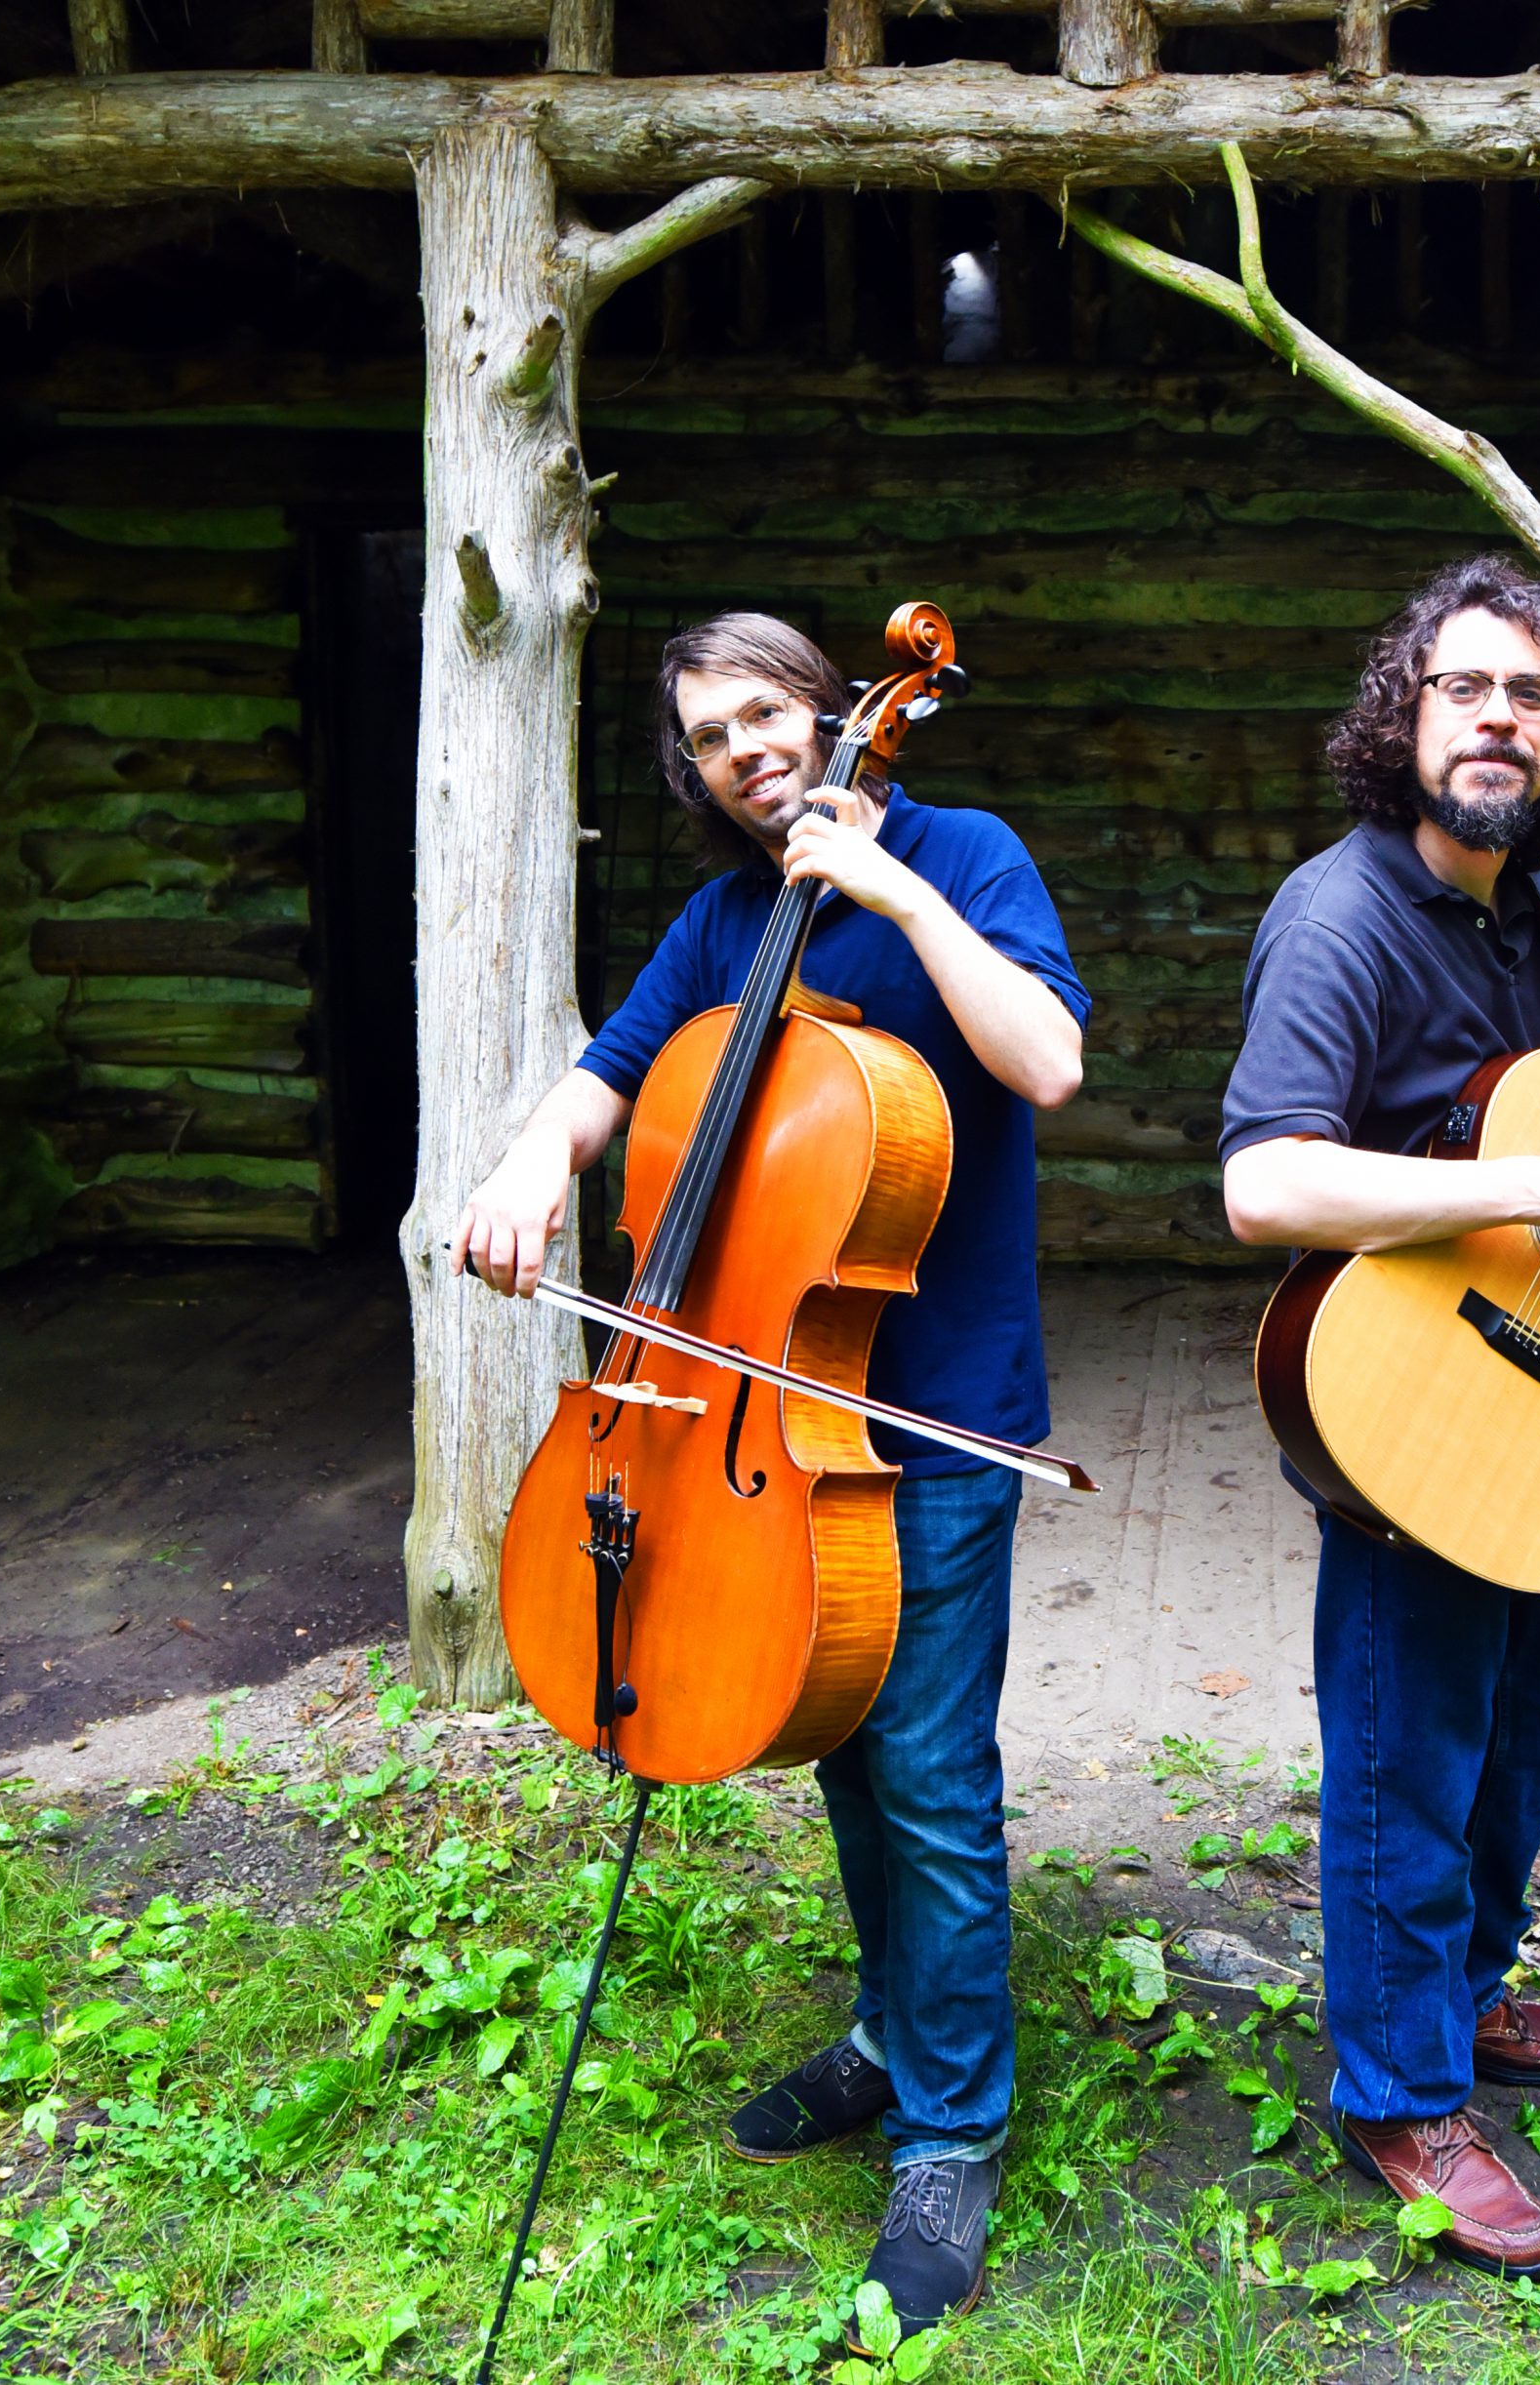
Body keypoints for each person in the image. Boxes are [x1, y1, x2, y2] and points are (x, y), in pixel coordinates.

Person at [454, 612, 1087, 2342]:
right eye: (710, 736)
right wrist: (529, 1164)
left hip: (933, 1411)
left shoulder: (963, 854)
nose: (746, 749)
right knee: (838, 1749)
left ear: (829, 711)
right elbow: (606, 1081)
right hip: (750, 1412)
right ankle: (896, 2034)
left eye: (767, 713)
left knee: (932, 1776)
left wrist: (898, 900)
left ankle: (955, 2129)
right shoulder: (726, 921)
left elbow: (1047, 1058)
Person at [1219, 554, 1540, 2277]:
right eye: (1467, 688)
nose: (1499, 719)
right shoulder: (1340, 915)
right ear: (1408, 711)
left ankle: (1458, 1991)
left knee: (1538, 1727)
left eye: (1534, 696)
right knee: (1409, 1755)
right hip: (1411, 1406)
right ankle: (1398, 2089)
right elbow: (1267, 1184)